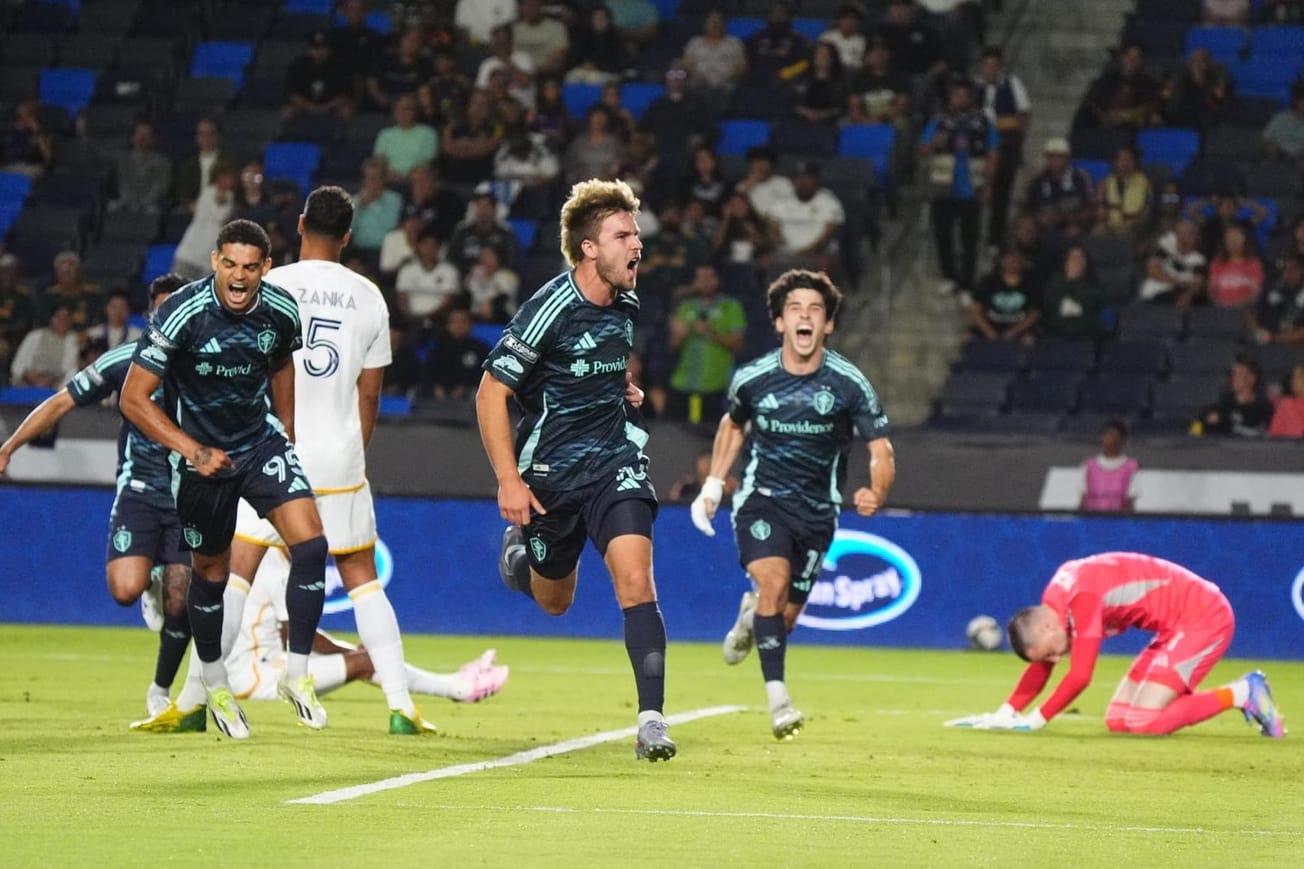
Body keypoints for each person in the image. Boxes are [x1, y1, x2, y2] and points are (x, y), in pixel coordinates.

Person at [476, 178, 677, 761]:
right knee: (554, 600)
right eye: (623, 235)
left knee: (636, 582)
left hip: (615, 462)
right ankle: (519, 559)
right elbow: (491, 395)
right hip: (550, 479)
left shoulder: (628, 300)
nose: (636, 244)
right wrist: (510, 480)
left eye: (635, 233)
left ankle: (651, 722)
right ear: (590, 248)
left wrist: (621, 388)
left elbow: (601, 362)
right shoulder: (549, 310)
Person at [119, 219, 330, 740]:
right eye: (230, 264)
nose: (239, 277)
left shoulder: (281, 310)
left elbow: (282, 363)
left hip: (259, 445)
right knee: (209, 575)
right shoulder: (182, 313)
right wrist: (191, 449)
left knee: (311, 545)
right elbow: (132, 397)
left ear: (266, 269)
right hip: (201, 462)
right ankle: (215, 682)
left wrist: (288, 425)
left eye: (250, 267)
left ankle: (297, 675)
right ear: (215, 261)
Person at [690, 268, 895, 740]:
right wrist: (714, 485)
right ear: (780, 323)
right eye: (795, 309)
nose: (805, 317)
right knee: (773, 583)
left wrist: (877, 490)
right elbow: (732, 425)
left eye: (815, 310)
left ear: (828, 325)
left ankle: (749, 616)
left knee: (782, 616)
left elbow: (880, 448)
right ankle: (778, 698)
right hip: (762, 502)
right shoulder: (753, 378)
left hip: (819, 513)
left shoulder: (848, 384)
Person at [0, 274, 193, 725]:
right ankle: (150, 581)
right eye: (163, 311)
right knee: (125, 590)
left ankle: (160, 689)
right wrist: (10, 446)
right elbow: (61, 402)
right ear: (152, 316)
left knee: (183, 602)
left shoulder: (205, 364)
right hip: (140, 492)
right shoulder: (127, 360)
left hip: (190, 498)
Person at [945, 552, 1284, 738]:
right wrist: (1005, 712)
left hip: (1203, 618)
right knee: (1118, 720)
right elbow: (1045, 665)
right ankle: (1216, 696)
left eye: (1049, 651)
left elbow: (1080, 676)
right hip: (1175, 627)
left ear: (1047, 626)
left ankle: (1243, 693)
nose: (1053, 659)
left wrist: (1035, 720)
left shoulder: (1081, 599)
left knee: (1144, 721)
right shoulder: (1054, 605)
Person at [225, 546, 509, 705]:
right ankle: (458, 688)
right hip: (256, 678)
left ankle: (455, 684)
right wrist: (352, 654)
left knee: (366, 659)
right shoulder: (277, 568)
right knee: (369, 661)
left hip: (263, 663)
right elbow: (297, 635)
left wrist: (350, 653)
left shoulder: (263, 555)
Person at [921, 76, 999, 297]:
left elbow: (993, 153)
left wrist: (989, 184)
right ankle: (949, 275)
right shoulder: (940, 121)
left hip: (972, 185)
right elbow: (924, 148)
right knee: (943, 234)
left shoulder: (983, 122)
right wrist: (936, 141)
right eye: (957, 95)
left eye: (965, 96)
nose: (960, 99)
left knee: (969, 236)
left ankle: (967, 282)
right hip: (944, 185)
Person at [665, 264, 746, 423]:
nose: (705, 282)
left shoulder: (730, 306)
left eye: (710, 278)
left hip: (714, 385)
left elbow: (738, 345)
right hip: (683, 382)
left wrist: (711, 333)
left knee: (706, 435)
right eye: (701, 279)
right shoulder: (686, 307)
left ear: (718, 280)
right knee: (678, 434)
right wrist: (680, 334)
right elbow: (672, 347)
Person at [975, 46, 1031, 248]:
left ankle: (995, 239)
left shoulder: (1012, 84)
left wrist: (1018, 138)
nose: (990, 69)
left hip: (1005, 143)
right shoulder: (974, 88)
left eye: (994, 66)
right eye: (987, 65)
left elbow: (1024, 113)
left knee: (1001, 194)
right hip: (979, 146)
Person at [969, 246, 1040, 342]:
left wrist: (1013, 332)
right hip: (991, 326)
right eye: (1009, 258)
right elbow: (975, 311)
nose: (1013, 261)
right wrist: (989, 332)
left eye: (1017, 258)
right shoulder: (988, 281)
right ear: (1001, 261)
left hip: (1019, 328)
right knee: (968, 339)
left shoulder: (1031, 282)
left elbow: (1034, 314)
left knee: (1030, 341)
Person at [1194, 356, 1274, 437]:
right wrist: (1208, 422)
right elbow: (1197, 432)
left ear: (1252, 378)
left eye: (1238, 374)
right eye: (1232, 374)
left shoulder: (1265, 409)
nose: (1233, 378)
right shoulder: (1222, 408)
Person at [1041, 244, 1106, 340]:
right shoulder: (1054, 285)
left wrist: (1076, 281)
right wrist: (1070, 281)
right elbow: (1049, 309)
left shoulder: (1096, 287)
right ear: (1065, 263)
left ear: (1087, 263)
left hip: (1088, 338)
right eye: (1072, 258)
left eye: (1080, 258)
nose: (1076, 262)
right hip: (1055, 338)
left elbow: (1097, 310)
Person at [8, 303, 79, 388]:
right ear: (51, 319)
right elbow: (17, 365)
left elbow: (71, 370)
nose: (62, 320)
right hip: (29, 383)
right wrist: (28, 375)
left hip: (57, 384)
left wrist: (53, 381)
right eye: (58, 317)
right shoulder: (34, 336)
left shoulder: (75, 339)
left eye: (66, 318)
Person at [1138, 218, 1207, 306]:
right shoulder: (1166, 245)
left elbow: (1198, 282)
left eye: (1191, 234)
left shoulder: (1199, 259)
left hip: (1176, 297)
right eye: (1181, 234)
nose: (1183, 238)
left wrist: (1188, 295)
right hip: (1153, 294)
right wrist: (1178, 283)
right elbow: (1153, 270)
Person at [373, 94, 439, 182]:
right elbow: (379, 159)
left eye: (408, 108)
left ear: (415, 111)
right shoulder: (385, 134)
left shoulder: (428, 133)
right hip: (389, 178)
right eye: (400, 108)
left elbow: (428, 161)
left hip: (418, 180)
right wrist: (386, 172)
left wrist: (410, 175)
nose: (403, 112)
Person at [1078, 419, 1139, 512]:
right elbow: (1083, 497)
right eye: (1106, 435)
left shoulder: (1132, 466)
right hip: (1091, 520)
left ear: (1123, 441)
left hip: (1118, 521)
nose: (1109, 440)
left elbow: (1131, 502)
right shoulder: (1088, 465)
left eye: (1113, 436)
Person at [1207, 224, 1264, 309]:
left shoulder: (1253, 263)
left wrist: (1237, 306)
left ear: (1244, 240)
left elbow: (1255, 293)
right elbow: (1211, 290)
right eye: (1230, 238)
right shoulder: (1217, 263)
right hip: (1220, 310)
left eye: (1237, 237)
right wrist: (1220, 305)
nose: (1233, 241)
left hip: (1245, 310)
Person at [1262, 84, 1304, 162]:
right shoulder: (1281, 118)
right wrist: (1269, 147)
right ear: (1297, 102)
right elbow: (1266, 138)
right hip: (1279, 156)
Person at [1268, 363, 1304, 437]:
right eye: (1294, 378)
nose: (1294, 381)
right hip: (1288, 446)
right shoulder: (1286, 405)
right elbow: (1274, 434)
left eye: (1299, 377)